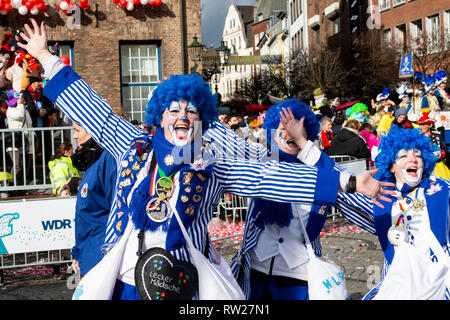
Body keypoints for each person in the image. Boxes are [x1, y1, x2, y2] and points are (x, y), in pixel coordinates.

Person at [19, 19, 391, 300]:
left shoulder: (212, 164)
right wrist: (47, 58)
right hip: (126, 278)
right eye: (174, 110)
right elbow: (95, 112)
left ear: (202, 122)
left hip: (183, 284)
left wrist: (348, 182)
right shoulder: (134, 145)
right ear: (160, 116)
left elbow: (270, 178)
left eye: (191, 112)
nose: (182, 117)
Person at [230, 99, 347, 300]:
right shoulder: (260, 162)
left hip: (298, 273)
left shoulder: (316, 167)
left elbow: (342, 180)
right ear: (273, 132)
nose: (289, 133)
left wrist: (304, 145)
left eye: (296, 128)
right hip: (257, 268)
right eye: (282, 127)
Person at [333, 126, 450, 299]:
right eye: (403, 156)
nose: (413, 160)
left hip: (440, 283)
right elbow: (338, 181)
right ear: (392, 166)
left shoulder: (442, 189)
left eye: (418, 155)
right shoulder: (379, 199)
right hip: (399, 285)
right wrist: (305, 148)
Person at [70, 123, 118, 277]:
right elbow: (85, 217)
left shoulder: (109, 159)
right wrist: (79, 252)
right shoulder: (94, 161)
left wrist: (108, 256)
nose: (75, 136)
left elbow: (117, 212)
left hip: (102, 257)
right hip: (89, 253)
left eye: (77, 130)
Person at [417, 112, 450, 179]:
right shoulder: (417, 138)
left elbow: (445, 149)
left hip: (438, 165)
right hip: (423, 167)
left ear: (429, 126)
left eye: (423, 125)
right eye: (420, 125)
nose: (420, 127)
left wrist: (441, 154)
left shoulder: (437, 135)